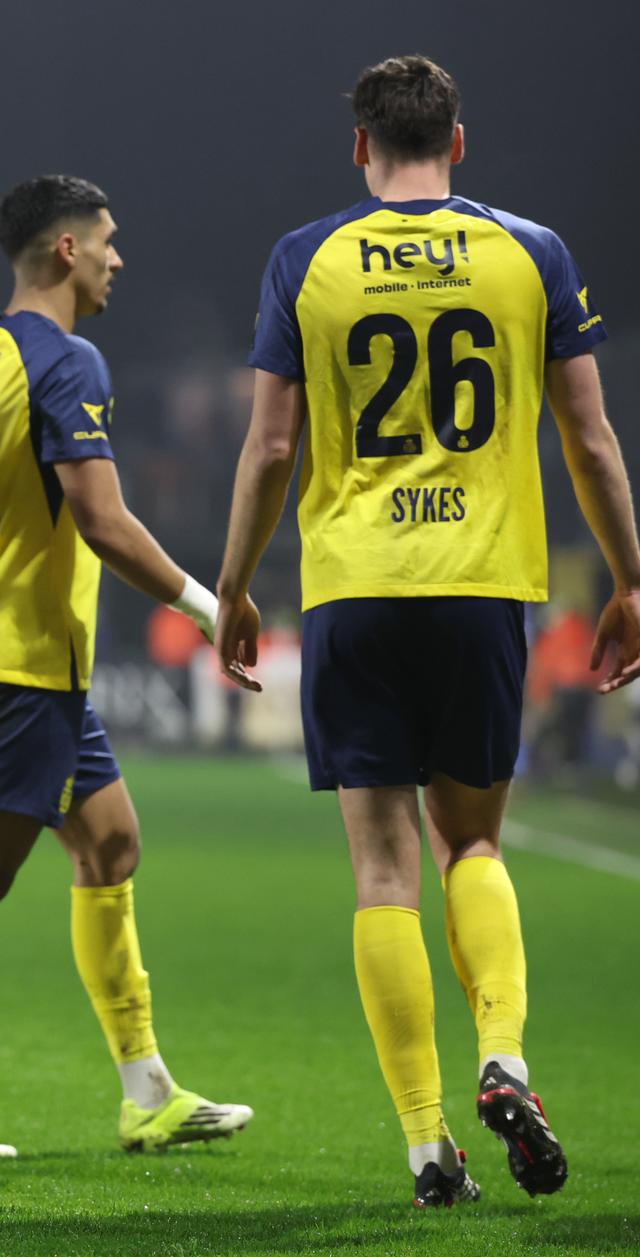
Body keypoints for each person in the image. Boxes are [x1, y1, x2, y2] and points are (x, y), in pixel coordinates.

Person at [213, 55, 639, 1207]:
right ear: (460, 141)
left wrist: (238, 583)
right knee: (476, 848)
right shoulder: (530, 252)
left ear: (359, 147)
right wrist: (629, 580)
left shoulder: (307, 258)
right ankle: (504, 1051)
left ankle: (426, 1145)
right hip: (484, 583)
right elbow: (591, 441)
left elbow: (266, 449)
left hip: (354, 586)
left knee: (384, 871)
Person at [0, 174, 253, 1160]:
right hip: (26, 654)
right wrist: (212, 607)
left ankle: (148, 1092)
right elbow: (101, 519)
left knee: (111, 843)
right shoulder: (66, 360)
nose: (118, 257)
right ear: (64, 251)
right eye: (107, 240)